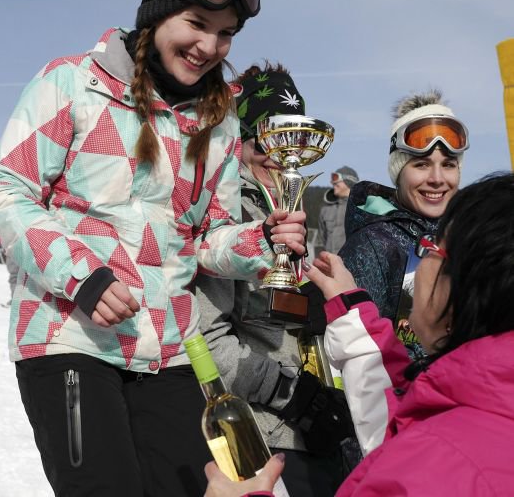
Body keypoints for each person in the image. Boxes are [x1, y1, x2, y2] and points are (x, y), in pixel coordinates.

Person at [0, 0, 307, 495]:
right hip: (71, 339)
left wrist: (261, 241)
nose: (209, 45)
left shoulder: (219, 121)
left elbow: (207, 239)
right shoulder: (73, 83)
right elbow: (8, 191)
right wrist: (83, 275)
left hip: (171, 352)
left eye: (225, 33)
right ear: (156, 13)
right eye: (196, 23)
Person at [205, 172, 514, 495]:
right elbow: (398, 419)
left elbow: (413, 453)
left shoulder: (432, 462)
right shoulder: (476, 405)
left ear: (463, 287)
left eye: (431, 248)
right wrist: (351, 311)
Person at [195, 63, 353, 497]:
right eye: (265, 139)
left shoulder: (296, 213)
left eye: (291, 141)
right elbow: (209, 341)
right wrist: (295, 396)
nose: (278, 155)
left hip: (317, 437)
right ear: (240, 139)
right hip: (260, 438)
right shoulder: (225, 219)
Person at [338, 90, 467, 329]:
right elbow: (358, 341)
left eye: (448, 164)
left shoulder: (470, 236)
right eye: (421, 165)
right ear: (399, 173)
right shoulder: (372, 246)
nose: (437, 179)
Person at [318, 166, 358, 254]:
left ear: (348, 181)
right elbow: (323, 236)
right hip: (330, 259)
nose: (333, 183)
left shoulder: (361, 208)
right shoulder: (326, 209)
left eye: (336, 179)